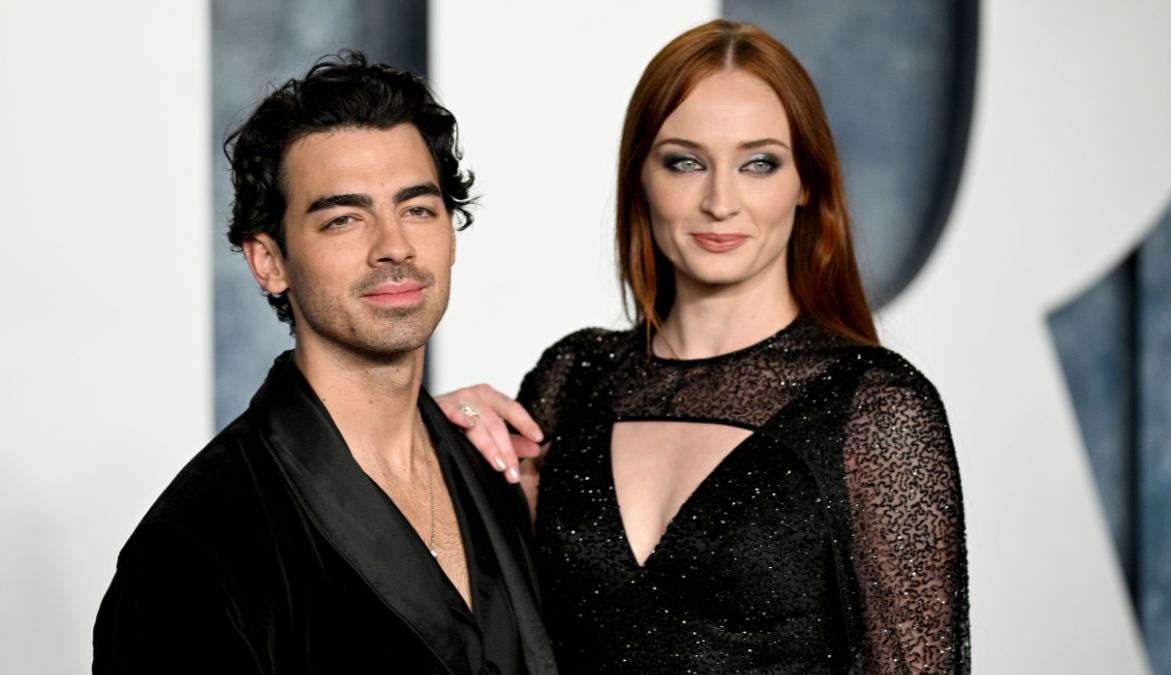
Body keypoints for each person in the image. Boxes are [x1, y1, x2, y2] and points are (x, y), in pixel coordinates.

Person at [438, 20, 969, 674]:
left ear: (806, 181)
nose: (720, 201)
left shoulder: (875, 407)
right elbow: (482, 634)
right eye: (685, 162)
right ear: (641, 176)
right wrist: (429, 451)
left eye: (759, 163)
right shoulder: (574, 377)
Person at [93, 52, 557, 675]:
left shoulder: (493, 475)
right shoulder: (196, 545)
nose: (394, 246)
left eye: (417, 209)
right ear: (269, 262)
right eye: (343, 219)